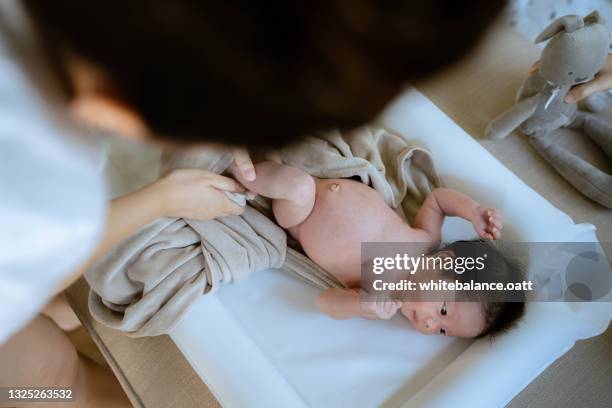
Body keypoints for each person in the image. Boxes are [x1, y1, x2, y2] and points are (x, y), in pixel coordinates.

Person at [232, 160, 525, 338]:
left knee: (297, 187)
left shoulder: (380, 295)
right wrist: (473, 211)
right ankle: (256, 166)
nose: (428, 324)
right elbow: (437, 199)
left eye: (441, 331)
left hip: (300, 214)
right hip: (328, 180)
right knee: (295, 177)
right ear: (445, 263)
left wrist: (360, 306)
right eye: (443, 310)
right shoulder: (426, 241)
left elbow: (326, 302)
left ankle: (238, 170)